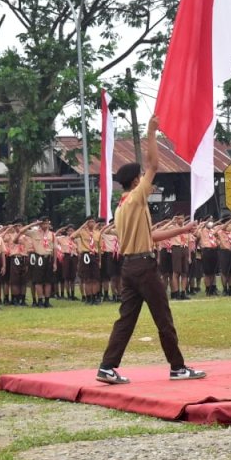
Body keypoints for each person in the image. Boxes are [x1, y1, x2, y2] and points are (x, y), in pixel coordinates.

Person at [96, 115, 206, 385]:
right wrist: (151, 132)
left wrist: (182, 230)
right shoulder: (136, 198)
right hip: (143, 267)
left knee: (126, 320)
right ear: (136, 181)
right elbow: (154, 164)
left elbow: (150, 235)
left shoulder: (123, 206)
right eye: (142, 179)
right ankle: (177, 367)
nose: (149, 182)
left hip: (130, 266)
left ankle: (107, 367)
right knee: (163, 317)